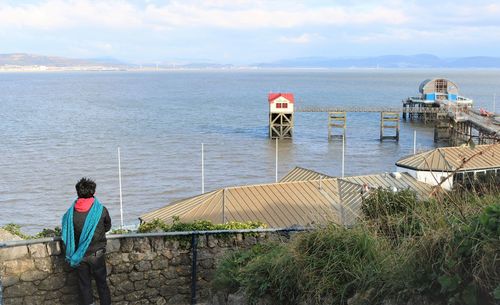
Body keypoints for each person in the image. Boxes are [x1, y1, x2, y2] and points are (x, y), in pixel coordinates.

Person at [62, 177, 112, 305]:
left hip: (79, 256)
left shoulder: (70, 214)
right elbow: (108, 227)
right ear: (93, 192)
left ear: (78, 192)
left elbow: (67, 234)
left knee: (84, 286)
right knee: (102, 285)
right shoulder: (101, 210)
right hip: (97, 254)